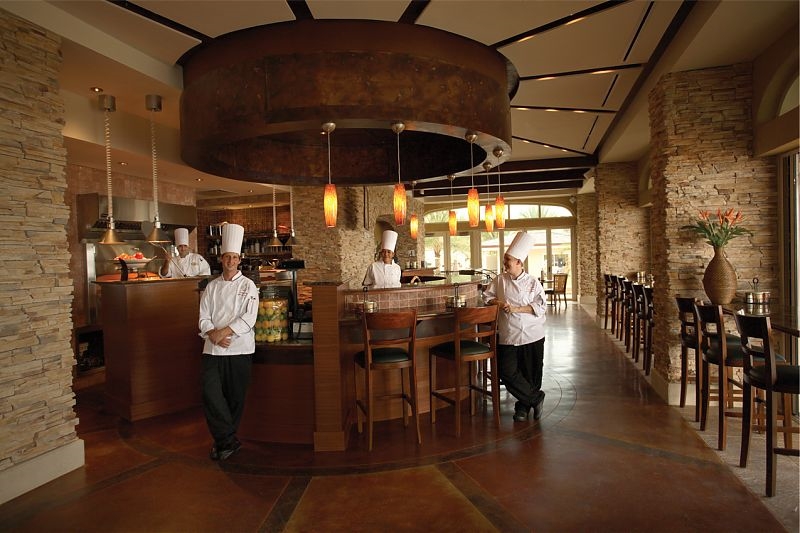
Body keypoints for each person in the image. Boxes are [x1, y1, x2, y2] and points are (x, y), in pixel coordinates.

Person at [198, 223, 259, 460]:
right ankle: (227, 440)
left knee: (235, 398)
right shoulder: (211, 287)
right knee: (211, 395)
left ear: (239, 260)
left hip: (239, 349)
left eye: (234, 257)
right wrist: (212, 333)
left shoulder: (248, 286)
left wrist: (222, 332)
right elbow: (203, 317)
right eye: (227, 257)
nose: (231, 261)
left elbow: (249, 318)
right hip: (212, 350)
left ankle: (224, 443)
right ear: (221, 259)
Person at [482, 232, 547, 422]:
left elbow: (540, 306)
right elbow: (487, 297)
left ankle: (523, 408)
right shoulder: (500, 280)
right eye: (505, 260)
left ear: (519, 262)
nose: (505, 263)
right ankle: (536, 398)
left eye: (508, 260)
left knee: (531, 374)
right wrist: (499, 303)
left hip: (532, 334)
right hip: (509, 334)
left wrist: (517, 308)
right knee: (506, 371)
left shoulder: (533, 282)